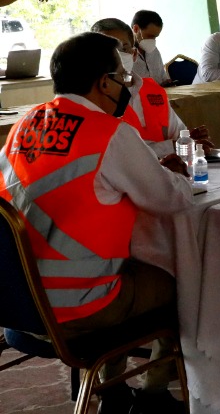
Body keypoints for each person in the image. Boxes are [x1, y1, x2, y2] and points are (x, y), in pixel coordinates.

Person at [1, 32, 194, 414]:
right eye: (122, 77)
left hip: (17, 300)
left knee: (123, 269)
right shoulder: (108, 132)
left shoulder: (22, 126)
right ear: (103, 81)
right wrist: (175, 176)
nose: (126, 85)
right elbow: (171, 200)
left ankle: (111, 390)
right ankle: (154, 395)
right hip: (76, 309)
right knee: (186, 283)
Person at [90, 18, 211, 158]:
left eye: (123, 48)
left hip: (170, 173)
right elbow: (116, 153)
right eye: (109, 50)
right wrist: (172, 146)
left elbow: (179, 135)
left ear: (134, 54)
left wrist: (188, 138)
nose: (117, 55)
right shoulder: (93, 99)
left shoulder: (153, 91)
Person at [131, 10, 172, 86]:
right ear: (136, 29)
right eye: (150, 36)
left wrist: (166, 83)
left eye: (155, 37)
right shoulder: (125, 54)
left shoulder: (154, 51)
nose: (152, 40)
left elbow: (163, 77)